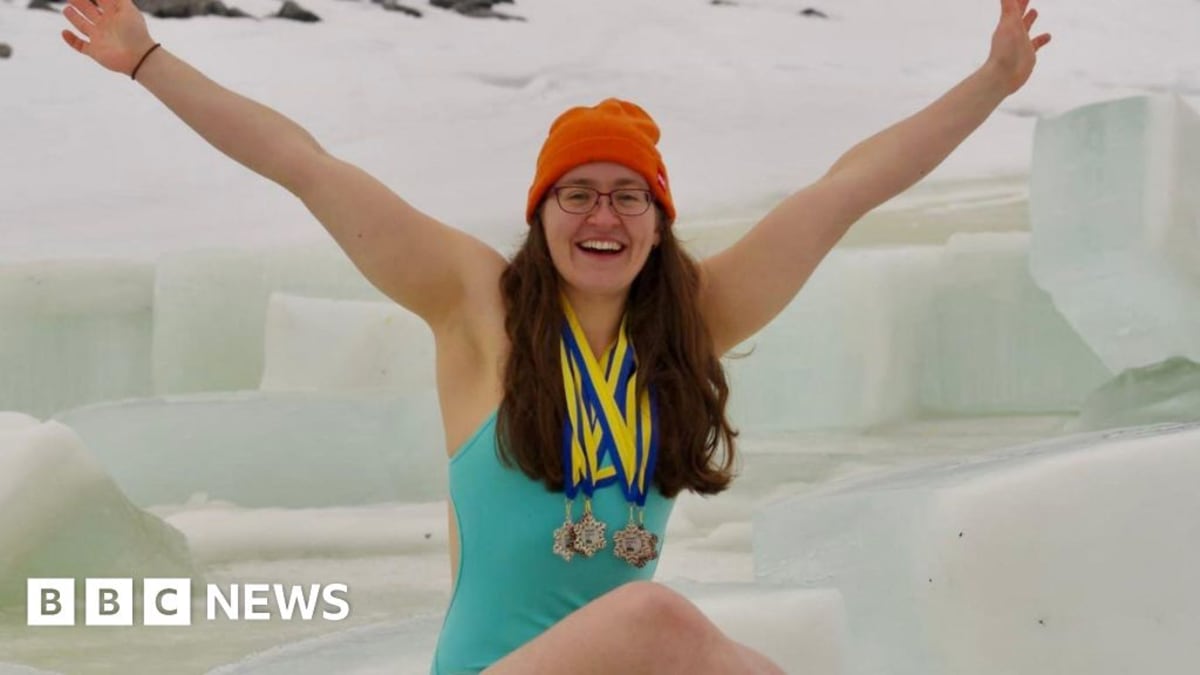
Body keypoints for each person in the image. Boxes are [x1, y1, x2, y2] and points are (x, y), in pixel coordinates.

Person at [59, 0, 1050, 672]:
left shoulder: (690, 327)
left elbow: (848, 190)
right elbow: (305, 166)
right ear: (542, 215)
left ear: (658, 223)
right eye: (576, 194)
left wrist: (993, 82)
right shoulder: (473, 303)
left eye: (627, 195)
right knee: (658, 616)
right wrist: (148, 58)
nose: (601, 215)